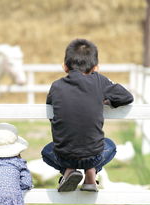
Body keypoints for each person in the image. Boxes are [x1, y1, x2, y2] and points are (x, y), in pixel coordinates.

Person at [41, 38, 134, 192]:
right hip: (93, 156)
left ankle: (68, 171)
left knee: (46, 152)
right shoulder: (99, 81)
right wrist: (107, 100)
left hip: (64, 155)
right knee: (110, 145)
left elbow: (52, 113)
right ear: (96, 67)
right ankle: (91, 174)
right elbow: (126, 97)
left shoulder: (56, 86)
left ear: (65, 67)